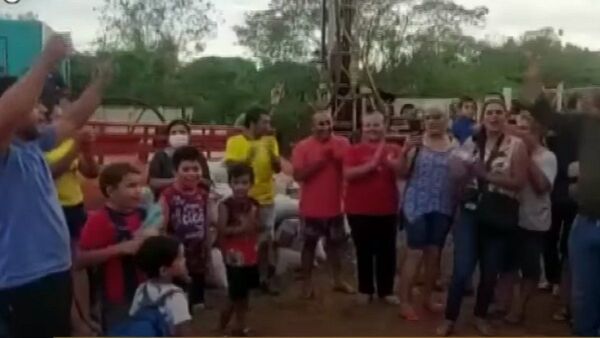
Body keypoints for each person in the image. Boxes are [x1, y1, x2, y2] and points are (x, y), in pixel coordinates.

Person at [0, 35, 108, 338]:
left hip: (53, 272)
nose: (44, 111)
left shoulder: (32, 146)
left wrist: (101, 81)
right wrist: (46, 60)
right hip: (23, 281)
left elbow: (74, 118)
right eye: (34, 105)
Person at [437, 99, 528, 336]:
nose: (494, 116)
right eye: (489, 112)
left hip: (499, 213)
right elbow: (456, 173)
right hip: (470, 211)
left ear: (506, 115)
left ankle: (479, 315)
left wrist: (486, 176)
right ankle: (450, 317)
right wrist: (460, 175)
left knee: (490, 271)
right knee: (462, 268)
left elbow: (519, 182)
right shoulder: (471, 142)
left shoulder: (516, 145)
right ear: (482, 116)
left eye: (499, 112)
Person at [524, 57, 600, 336]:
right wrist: (533, 79)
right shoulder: (584, 125)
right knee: (583, 295)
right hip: (585, 220)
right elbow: (543, 112)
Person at [398, 107, 458, 320]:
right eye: (428, 117)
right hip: (417, 205)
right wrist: (404, 152)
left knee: (434, 253)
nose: (432, 121)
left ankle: (427, 298)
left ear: (447, 120)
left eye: (437, 117)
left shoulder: (455, 145)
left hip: (442, 206)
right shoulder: (416, 144)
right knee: (415, 252)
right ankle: (404, 301)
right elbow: (401, 172)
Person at [78, 162, 152, 331]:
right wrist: (119, 249)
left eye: (140, 185)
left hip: (147, 292)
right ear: (111, 191)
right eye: (131, 186)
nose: (138, 190)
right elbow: (80, 260)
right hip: (116, 299)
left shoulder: (144, 214)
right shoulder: (99, 219)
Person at [292, 107, 354, 299]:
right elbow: (298, 175)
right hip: (311, 207)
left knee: (335, 246)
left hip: (335, 205)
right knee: (309, 247)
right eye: (321, 123)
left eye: (327, 122)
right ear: (312, 126)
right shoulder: (302, 147)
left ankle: (337, 280)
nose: (325, 127)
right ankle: (307, 284)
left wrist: (335, 161)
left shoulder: (343, 143)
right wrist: (320, 163)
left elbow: (350, 170)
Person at [502, 112, 557, 324]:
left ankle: (519, 308)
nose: (518, 132)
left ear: (537, 133)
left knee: (530, 268)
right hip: (509, 216)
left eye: (524, 129)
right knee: (507, 264)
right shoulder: (509, 150)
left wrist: (526, 159)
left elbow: (543, 187)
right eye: (517, 127)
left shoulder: (547, 157)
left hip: (533, 220)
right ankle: (504, 303)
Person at [344, 112, 402, 305]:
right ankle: (365, 288)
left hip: (387, 208)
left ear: (383, 126)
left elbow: (404, 173)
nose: (372, 129)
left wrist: (397, 163)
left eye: (376, 125)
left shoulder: (393, 148)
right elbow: (348, 174)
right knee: (364, 250)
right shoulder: (353, 150)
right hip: (358, 209)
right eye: (368, 125)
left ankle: (386, 290)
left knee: (387, 251)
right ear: (362, 128)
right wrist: (371, 165)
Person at [225, 107, 281, 293]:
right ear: (252, 123)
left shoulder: (270, 141)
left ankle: (265, 279)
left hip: (266, 199)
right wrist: (248, 157)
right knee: (244, 239)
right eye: (264, 122)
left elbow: (278, 168)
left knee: (267, 240)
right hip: (243, 201)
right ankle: (244, 278)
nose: (268, 126)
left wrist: (273, 155)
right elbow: (231, 167)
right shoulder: (235, 142)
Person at [160, 146, 212, 313]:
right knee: (178, 301)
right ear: (175, 171)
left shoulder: (203, 194)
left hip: (199, 253)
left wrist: (209, 253)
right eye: (186, 169)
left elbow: (206, 224)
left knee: (197, 303)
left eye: (196, 169)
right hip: (177, 255)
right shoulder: (167, 195)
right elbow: (162, 228)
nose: (192, 173)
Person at [541, 93, 580, 297]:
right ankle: (559, 281)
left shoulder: (556, 127)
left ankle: (554, 279)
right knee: (564, 239)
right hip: (570, 188)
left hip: (558, 187)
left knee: (551, 237)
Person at [217, 163, 260, 336]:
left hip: (250, 253)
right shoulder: (225, 205)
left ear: (251, 184)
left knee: (245, 293)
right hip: (234, 256)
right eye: (236, 182)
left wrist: (253, 226)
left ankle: (240, 325)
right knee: (234, 294)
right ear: (230, 183)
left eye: (244, 182)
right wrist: (243, 227)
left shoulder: (255, 204)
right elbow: (222, 230)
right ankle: (222, 326)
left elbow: (258, 226)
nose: (240, 187)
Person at [131, 236, 194, 337]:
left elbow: (134, 317)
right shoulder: (176, 296)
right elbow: (184, 332)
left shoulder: (141, 289)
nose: (184, 260)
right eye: (180, 258)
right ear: (163, 270)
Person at [148, 119, 210, 197]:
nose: (178, 135)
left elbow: (208, 182)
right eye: (173, 133)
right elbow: (152, 183)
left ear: (189, 135)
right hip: (166, 198)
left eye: (182, 132)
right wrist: (177, 180)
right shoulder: (160, 156)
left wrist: (194, 178)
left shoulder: (198, 155)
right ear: (168, 137)